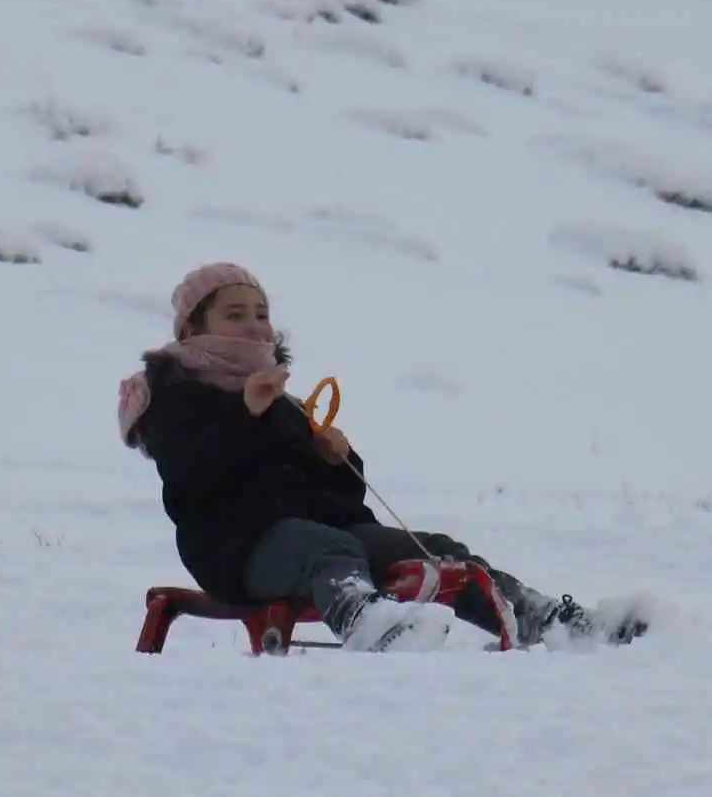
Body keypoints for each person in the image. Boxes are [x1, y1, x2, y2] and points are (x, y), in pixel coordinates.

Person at [117, 262, 647, 652]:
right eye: (236, 315)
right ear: (192, 330)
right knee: (322, 547)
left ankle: (543, 618)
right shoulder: (174, 398)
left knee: (436, 550)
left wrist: (334, 458)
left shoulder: (282, 401)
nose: (257, 326)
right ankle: (365, 621)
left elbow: (342, 501)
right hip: (235, 551)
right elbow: (193, 477)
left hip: (327, 536)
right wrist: (247, 418)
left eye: (262, 314)